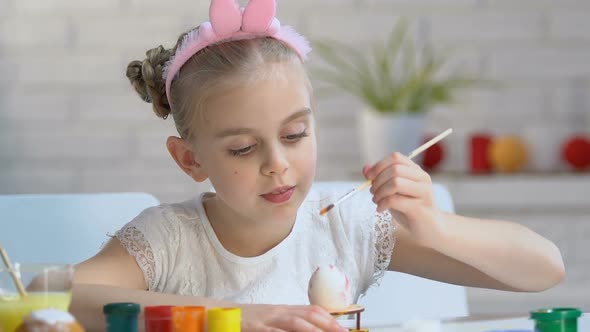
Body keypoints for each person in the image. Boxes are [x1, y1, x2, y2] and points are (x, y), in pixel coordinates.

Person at [71, 0, 565, 330]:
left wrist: (436, 227)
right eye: (243, 148)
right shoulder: (171, 239)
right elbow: (57, 297)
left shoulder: (345, 228)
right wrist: (240, 318)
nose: (278, 165)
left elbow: (543, 269)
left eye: (295, 135)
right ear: (190, 160)